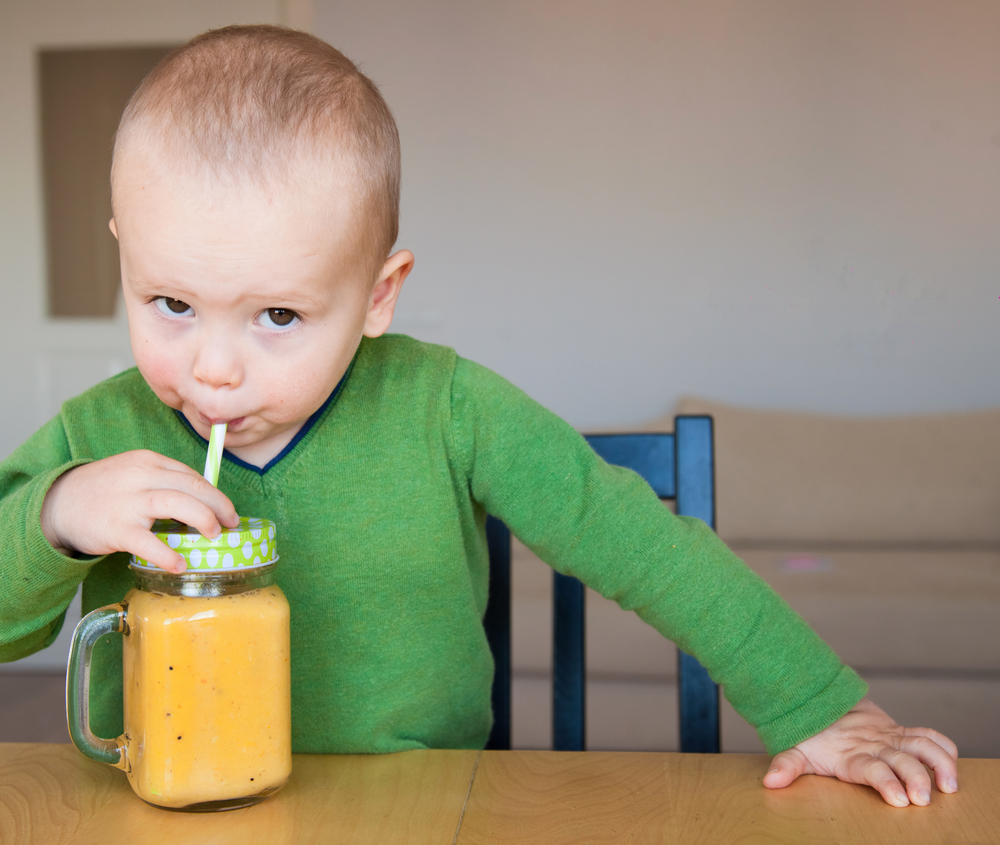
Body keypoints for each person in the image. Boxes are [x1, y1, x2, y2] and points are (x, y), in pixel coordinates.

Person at [0, 25, 957, 808]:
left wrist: (817, 703)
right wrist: (55, 514)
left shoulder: (449, 407)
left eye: (279, 316)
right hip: (144, 812)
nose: (212, 368)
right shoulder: (97, 432)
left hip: (420, 804)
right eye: (170, 304)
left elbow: (641, 544)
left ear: (380, 295)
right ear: (123, 254)